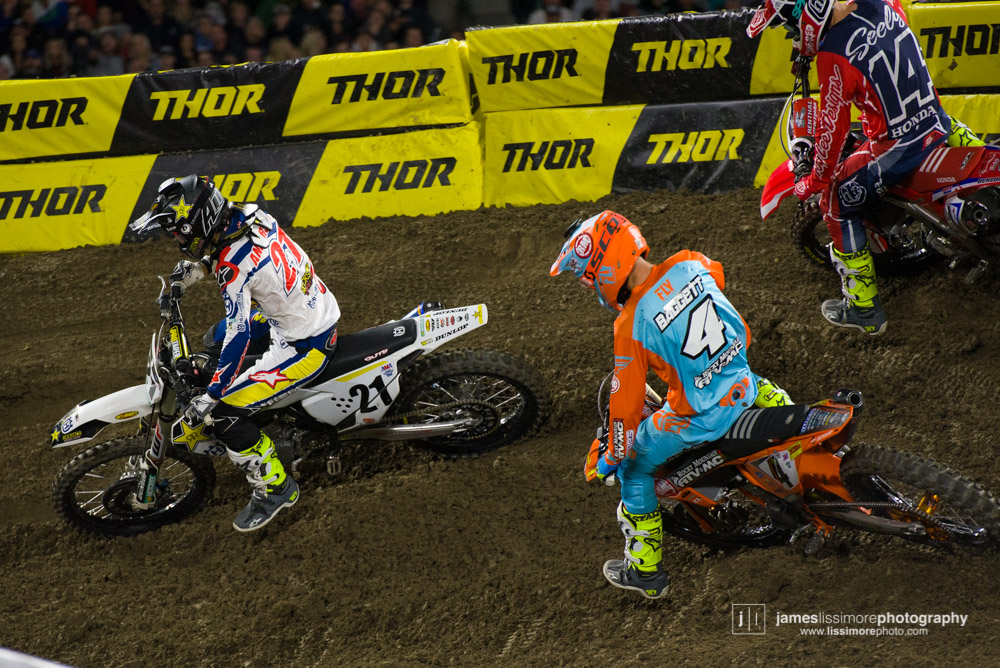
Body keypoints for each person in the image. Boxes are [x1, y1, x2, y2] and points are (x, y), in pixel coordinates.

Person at [550, 210, 790, 599]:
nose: (587, 284)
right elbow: (717, 278)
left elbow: (625, 409)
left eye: (587, 275)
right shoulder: (690, 262)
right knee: (768, 395)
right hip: (743, 382)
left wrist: (611, 458)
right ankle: (796, 453)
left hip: (699, 415)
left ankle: (645, 571)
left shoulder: (630, 324)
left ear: (605, 266)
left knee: (633, 470)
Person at [131, 175, 341, 532]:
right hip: (303, 310)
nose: (177, 241)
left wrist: (212, 395)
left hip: (306, 344)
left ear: (197, 225)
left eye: (179, 233)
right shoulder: (251, 214)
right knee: (214, 336)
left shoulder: (233, 269)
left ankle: (276, 488)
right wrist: (201, 267)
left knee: (223, 413)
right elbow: (238, 251)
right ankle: (264, 417)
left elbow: (240, 331)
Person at [747, 0, 954, 335]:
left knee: (837, 199)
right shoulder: (882, 4)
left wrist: (815, 180)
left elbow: (832, 131)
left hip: (899, 145)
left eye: (789, 27)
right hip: (935, 120)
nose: (791, 36)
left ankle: (864, 308)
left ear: (803, 14)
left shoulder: (834, 55)